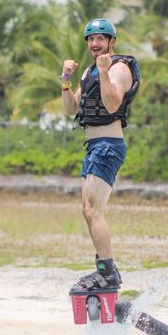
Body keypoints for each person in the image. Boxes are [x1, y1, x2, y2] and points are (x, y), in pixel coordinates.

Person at [61, 18, 140, 292]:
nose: (95, 43)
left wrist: (105, 71)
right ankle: (105, 268)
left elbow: (112, 103)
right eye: (91, 39)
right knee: (88, 211)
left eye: (101, 38)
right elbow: (72, 108)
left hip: (108, 144)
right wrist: (66, 80)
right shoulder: (90, 71)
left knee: (93, 209)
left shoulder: (117, 68)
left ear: (111, 42)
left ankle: (107, 272)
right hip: (93, 146)